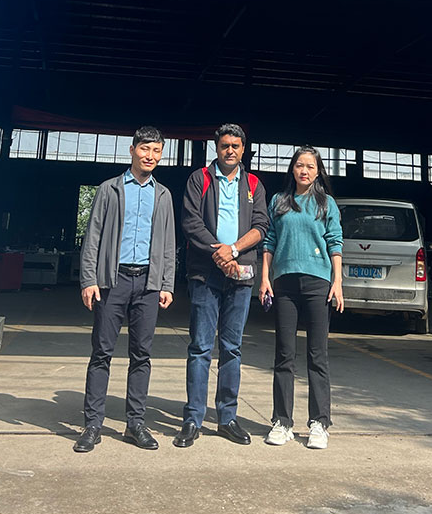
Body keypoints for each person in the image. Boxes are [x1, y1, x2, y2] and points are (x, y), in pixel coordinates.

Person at [74, 126, 175, 452]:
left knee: (141, 355)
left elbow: (169, 245)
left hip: (147, 284)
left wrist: (167, 283)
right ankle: (92, 425)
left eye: (157, 151)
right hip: (112, 281)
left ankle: (135, 424)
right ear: (132, 150)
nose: (150, 156)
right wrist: (89, 279)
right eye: (145, 149)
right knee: (102, 352)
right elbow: (93, 237)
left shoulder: (163, 195)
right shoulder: (110, 189)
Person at [174, 123, 269, 447]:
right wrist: (219, 252)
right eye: (225, 145)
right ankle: (192, 419)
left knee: (232, 348)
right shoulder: (199, 180)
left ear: (244, 150)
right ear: (217, 147)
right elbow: (190, 222)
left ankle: (227, 418)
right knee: (200, 347)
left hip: (240, 274)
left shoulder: (254, 184)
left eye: (236, 146)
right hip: (205, 273)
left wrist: (235, 250)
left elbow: (261, 226)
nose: (230, 150)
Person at [259, 145, 344, 449]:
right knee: (284, 354)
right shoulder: (279, 201)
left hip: (318, 284)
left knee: (317, 356)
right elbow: (269, 240)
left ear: (318, 171)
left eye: (310, 166)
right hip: (284, 284)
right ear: (292, 169)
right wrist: (265, 277)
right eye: (299, 165)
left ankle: (319, 423)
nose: (304, 171)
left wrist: (338, 282)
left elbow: (335, 242)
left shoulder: (326, 204)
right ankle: (282, 422)